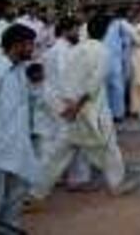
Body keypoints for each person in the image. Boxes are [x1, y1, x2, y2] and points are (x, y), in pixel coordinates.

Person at [34, 13, 137, 202]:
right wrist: (77, 106)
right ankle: (117, 184)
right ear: (106, 31)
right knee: (108, 147)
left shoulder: (77, 49)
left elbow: (66, 79)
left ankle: (36, 194)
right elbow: (94, 83)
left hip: (73, 108)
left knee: (58, 155)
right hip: (90, 110)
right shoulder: (102, 51)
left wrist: (67, 105)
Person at [0, 24, 39, 229]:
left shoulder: (21, 70)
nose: (33, 49)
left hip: (19, 148)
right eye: (29, 45)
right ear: (17, 45)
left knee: (13, 206)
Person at [41, 16, 92, 189]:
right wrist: (73, 104)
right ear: (65, 31)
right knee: (72, 141)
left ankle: (60, 177)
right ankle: (75, 180)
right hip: (64, 102)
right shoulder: (62, 50)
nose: (77, 33)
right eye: (75, 30)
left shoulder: (59, 49)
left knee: (60, 141)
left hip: (55, 100)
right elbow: (66, 77)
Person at [102, 7, 132, 122]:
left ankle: (118, 114)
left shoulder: (120, 25)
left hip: (115, 59)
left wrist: (124, 58)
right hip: (106, 58)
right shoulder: (105, 25)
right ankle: (109, 113)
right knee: (107, 88)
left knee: (116, 87)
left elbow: (127, 41)